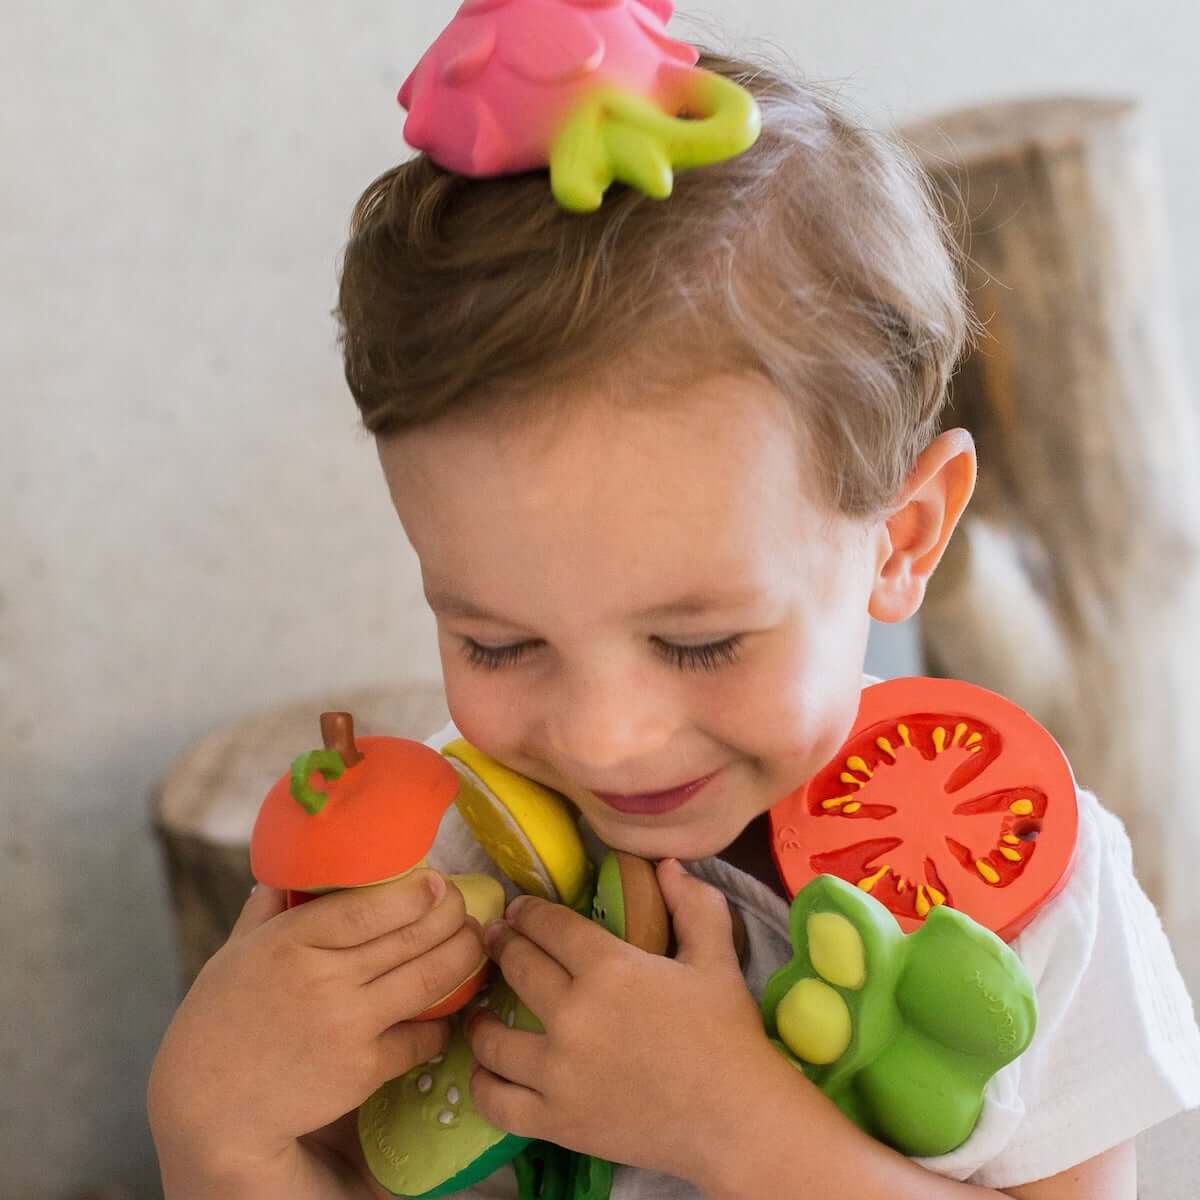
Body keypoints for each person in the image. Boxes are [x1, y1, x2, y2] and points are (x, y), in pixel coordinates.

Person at [147, 47, 1200, 1200]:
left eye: (701, 643)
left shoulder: (1035, 897)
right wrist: (218, 1132)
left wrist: (736, 1129)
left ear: (901, 540)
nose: (604, 738)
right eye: (497, 642)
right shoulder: (442, 881)